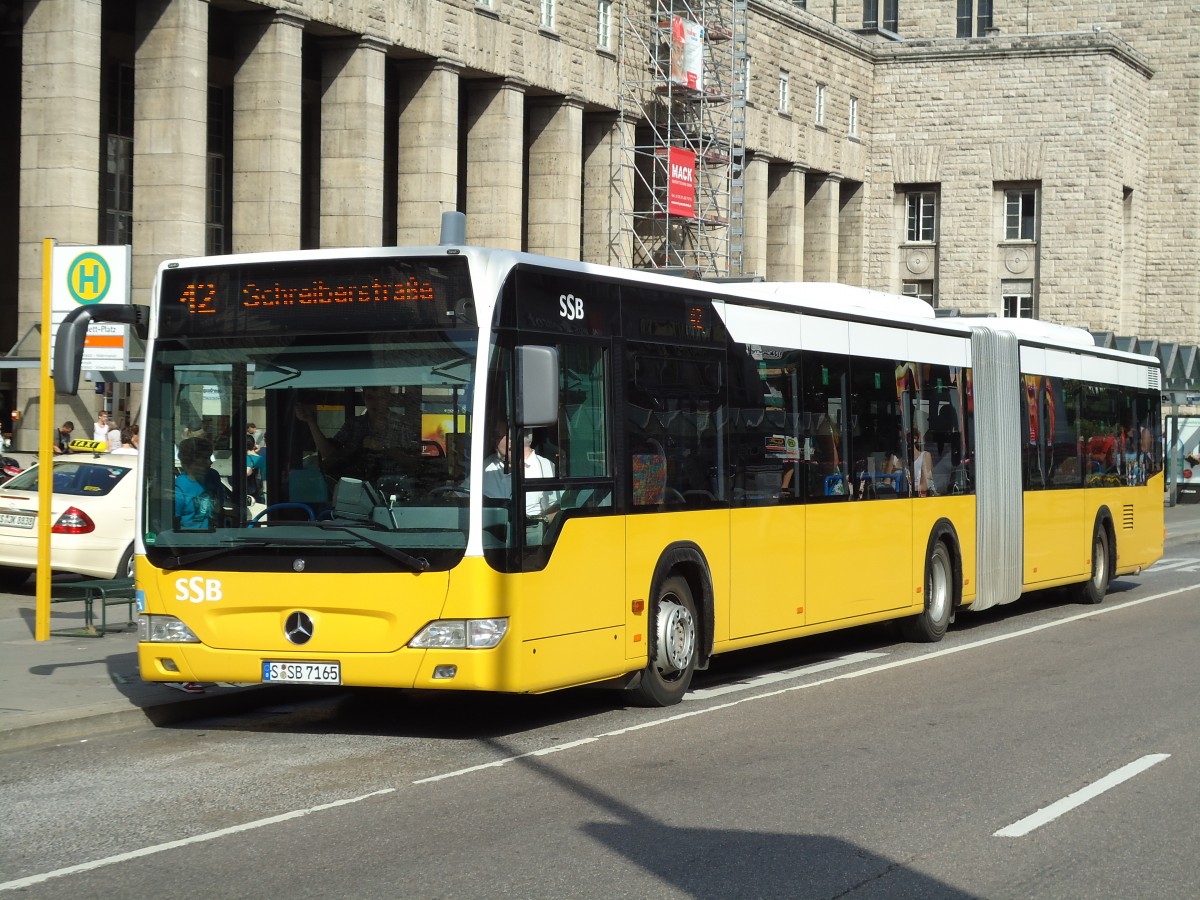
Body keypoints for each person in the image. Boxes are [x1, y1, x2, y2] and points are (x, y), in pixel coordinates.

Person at [295, 385, 415, 482]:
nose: (375, 404)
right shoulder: (354, 424)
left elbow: (414, 463)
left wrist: (384, 448)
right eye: (370, 398)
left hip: (396, 486)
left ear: (389, 398)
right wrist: (311, 421)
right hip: (359, 488)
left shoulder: (402, 425)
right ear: (363, 398)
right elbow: (328, 453)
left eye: (381, 398)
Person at [482, 422, 559, 524]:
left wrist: (538, 521)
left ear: (512, 440)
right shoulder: (486, 466)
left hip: (529, 531)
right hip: (491, 528)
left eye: (497, 436)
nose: (494, 441)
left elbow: (555, 509)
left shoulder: (545, 467)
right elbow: (461, 494)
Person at [175, 437, 226, 530]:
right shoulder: (179, 487)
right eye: (205, 458)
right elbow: (174, 523)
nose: (210, 462)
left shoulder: (213, 476)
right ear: (191, 460)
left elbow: (219, 507)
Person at [246, 434, 266, 502]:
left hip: (248, 495)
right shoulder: (261, 459)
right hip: (260, 493)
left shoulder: (245, 459)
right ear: (254, 444)